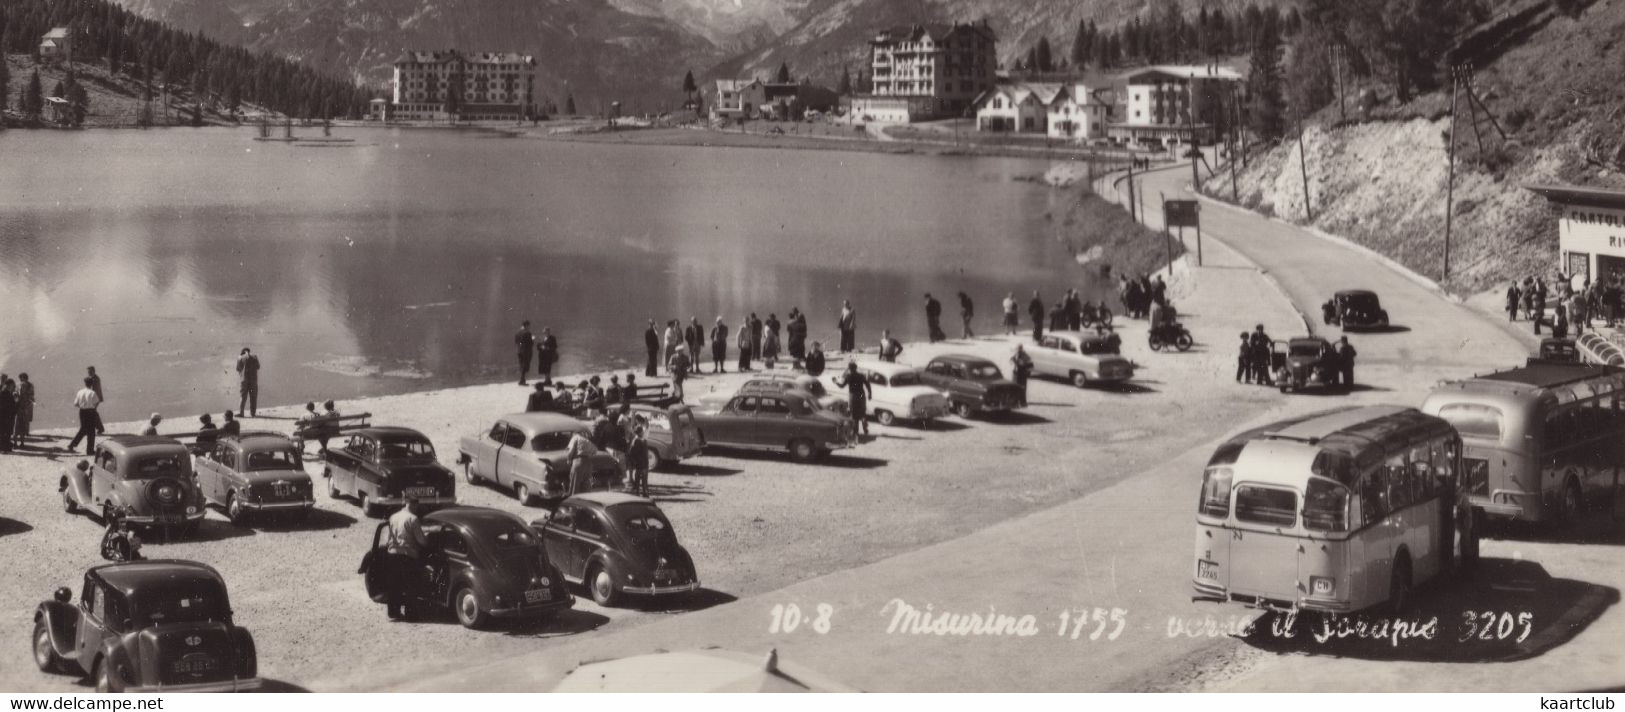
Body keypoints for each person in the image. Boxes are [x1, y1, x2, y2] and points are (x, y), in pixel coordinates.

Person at [384, 498, 428, 620]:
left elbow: (388, 538)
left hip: (392, 554)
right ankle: (410, 614)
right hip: (407, 556)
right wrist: (428, 541)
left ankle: (393, 613)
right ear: (414, 505)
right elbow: (421, 541)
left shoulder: (393, 517)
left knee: (394, 585)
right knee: (410, 586)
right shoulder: (413, 519)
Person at [833, 361, 874, 436]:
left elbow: (842, 386)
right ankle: (865, 429)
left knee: (854, 414)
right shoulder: (861, 375)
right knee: (862, 412)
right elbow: (868, 384)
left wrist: (836, 382)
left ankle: (856, 431)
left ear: (849, 369)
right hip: (861, 395)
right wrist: (870, 394)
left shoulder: (849, 376)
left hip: (853, 395)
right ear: (856, 368)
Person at [67, 376, 102, 455]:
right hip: (91, 412)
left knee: (83, 429)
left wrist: (82, 406)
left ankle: (72, 445)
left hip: (82, 412)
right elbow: (97, 402)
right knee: (91, 432)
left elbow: (76, 404)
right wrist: (93, 407)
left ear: (85, 383)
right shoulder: (92, 393)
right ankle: (89, 450)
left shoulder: (80, 392)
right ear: (91, 384)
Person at [565, 429, 600, 495]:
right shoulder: (586, 441)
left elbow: (571, 451)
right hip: (588, 463)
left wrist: (568, 459)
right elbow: (595, 450)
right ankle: (584, 503)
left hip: (578, 461)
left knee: (575, 485)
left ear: (575, 433)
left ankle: (574, 503)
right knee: (586, 486)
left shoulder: (575, 438)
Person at [626, 425, 650, 498]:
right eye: (642, 431)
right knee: (641, 477)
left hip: (643, 462)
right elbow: (632, 452)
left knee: (642, 477)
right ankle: (640, 492)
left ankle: (642, 491)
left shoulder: (640, 440)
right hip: (640, 462)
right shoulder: (637, 441)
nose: (643, 432)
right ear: (639, 432)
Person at [235, 347, 261, 417]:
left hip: (244, 380)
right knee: (253, 397)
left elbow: (238, 369)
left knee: (242, 397)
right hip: (253, 380)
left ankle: (241, 413)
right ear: (249, 351)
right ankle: (253, 413)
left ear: (242, 352)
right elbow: (258, 367)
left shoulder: (240, 357)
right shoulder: (254, 357)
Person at [13, 373, 33, 447]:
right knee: (22, 426)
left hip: (19, 408)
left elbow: (15, 395)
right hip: (24, 409)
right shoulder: (30, 385)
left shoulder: (19, 385)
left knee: (16, 426)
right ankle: (21, 443)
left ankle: (15, 443)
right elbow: (31, 397)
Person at [515, 321, 536, 385]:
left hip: (519, 350)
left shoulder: (518, 333)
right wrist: (533, 339)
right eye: (529, 326)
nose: (529, 327)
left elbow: (516, 342)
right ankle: (522, 380)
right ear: (526, 325)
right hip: (526, 351)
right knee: (525, 365)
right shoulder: (527, 333)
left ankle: (522, 379)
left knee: (521, 365)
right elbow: (530, 343)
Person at [86, 367, 106, 435]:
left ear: (93, 371)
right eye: (88, 372)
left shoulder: (95, 379)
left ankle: (99, 428)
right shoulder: (93, 378)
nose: (89, 373)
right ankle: (99, 428)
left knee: (92, 413)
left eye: (90, 372)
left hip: (95, 399)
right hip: (94, 398)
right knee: (92, 413)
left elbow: (95, 390)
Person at [0, 378, 14, 454]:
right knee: (4, 432)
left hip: (6, 416)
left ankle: (6, 447)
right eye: (12, 385)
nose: (13, 387)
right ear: (9, 385)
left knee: (6, 432)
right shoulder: (4, 392)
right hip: (4, 416)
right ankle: (3, 448)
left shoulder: (6, 392)